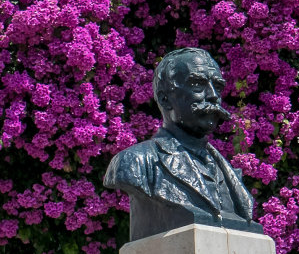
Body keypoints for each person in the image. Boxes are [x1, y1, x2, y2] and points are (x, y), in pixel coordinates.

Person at [103, 48, 262, 240]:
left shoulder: (228, 174)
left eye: (217, 86)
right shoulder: (136, 162)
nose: (213, 96)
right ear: (165, 99)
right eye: (197, 84)